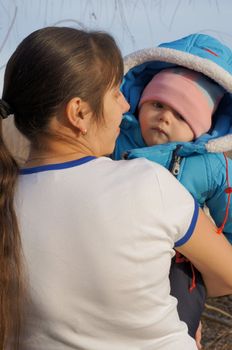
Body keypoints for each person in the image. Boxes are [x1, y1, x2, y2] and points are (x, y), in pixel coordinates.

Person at [1, 27, 232, 350]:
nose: (126, 105)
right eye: (114, 94)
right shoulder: (148, 182)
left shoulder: (6, 197)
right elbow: (227, 273)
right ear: (79, 112)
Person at [113, 33, 232, 340]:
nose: (164, 117)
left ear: (201, 127)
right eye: (156, 104)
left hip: (179, 263)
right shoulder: (114, 139)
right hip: (116, 246)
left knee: (180, 318)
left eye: (181, 114)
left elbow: (227, 221)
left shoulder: (211, 165)